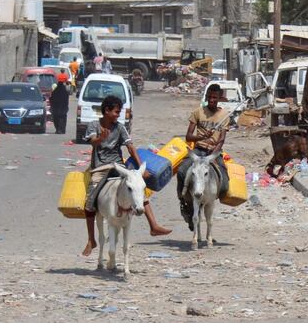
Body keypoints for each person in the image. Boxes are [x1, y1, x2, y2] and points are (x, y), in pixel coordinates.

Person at [82, 95, 171, 256]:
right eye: (116, 112)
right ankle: (91, 239)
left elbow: (130, 147)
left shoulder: (120, 128)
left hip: (119, 166)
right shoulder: (94, 125)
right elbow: (92, 142)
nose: (118, 115)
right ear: (107, 111)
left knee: (137, 188)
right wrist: (100, 139)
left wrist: (140, 168)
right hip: (100, 169)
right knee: (89, 201)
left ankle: (153, 225)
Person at [176, 83, 230, 229]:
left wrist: (213, 154)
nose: (212, 100)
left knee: (224, 183)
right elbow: (188, 136)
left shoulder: (224, 116)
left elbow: (222, 140)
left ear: (219, 98)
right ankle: (184, 201)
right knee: (182, 171)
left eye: (215, 97)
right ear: (206, 97)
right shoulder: (198, 113)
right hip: (198, 150)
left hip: (213, 152)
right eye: (210, 97)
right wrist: (200, 138)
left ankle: (210, 200)